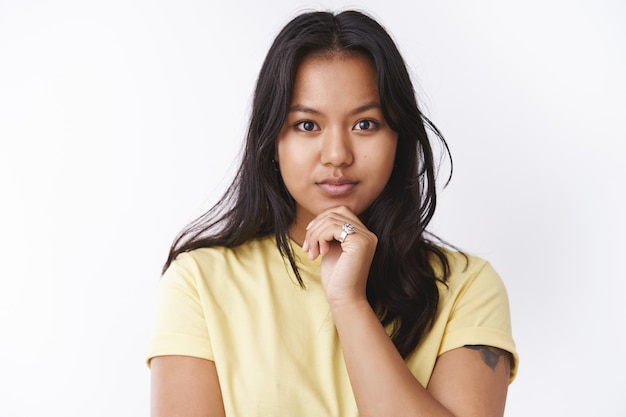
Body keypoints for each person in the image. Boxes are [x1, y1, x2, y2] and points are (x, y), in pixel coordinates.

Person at [147, 9, 518, 417]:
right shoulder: (200, 283)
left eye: (365, 124)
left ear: (399, 137)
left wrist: (349, 302)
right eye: (307, 125)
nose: (338, 155)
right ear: (272, 140)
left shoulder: (465, 286)